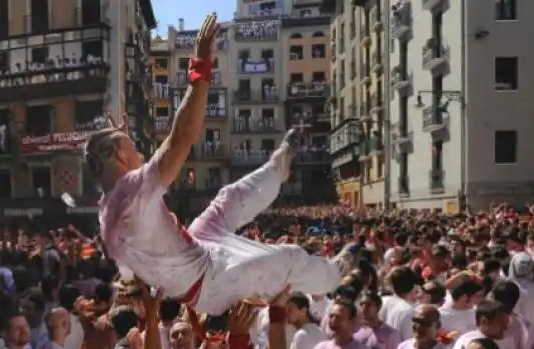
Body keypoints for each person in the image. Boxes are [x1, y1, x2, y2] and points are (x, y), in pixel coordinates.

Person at [87, 13, 347, 316]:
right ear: (119, 157)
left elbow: (131, 270)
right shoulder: (132, 193)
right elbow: (182, 138)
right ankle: (334, 276)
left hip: (197, 251)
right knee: (289, 257)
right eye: (133, 149)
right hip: (210, 282)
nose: (142, 155)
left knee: (228, 198)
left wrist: (123, 141)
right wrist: (200, 65)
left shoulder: (107, 215)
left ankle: (278, 166)